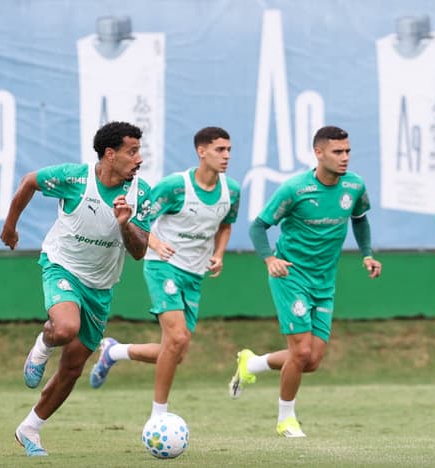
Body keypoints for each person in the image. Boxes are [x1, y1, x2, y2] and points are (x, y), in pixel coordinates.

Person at [1, 121, 151, 456]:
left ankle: (29, 429)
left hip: (101, 287)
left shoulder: (141, 193)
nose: (139, 159)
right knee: (66, 328)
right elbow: (29, 182)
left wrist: (125, 223)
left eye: (139, 150)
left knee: (71, 369)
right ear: (109, 155)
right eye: (132, 151)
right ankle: (44, 341)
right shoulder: (74, 178)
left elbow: (139, 251)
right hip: (61, 266)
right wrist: (10, 228)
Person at [229, 126, 382, 438]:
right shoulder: (295, 189)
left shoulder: (354, 186)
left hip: (324, 282)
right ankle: (286, 419)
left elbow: (360, 219)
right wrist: (270, 259)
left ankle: (253, 364)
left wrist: (367, 254)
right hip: (291, 276)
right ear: (319, 153)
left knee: (311, 360)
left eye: (348, 151)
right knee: (299, 353)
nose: (345, 158)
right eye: (338, 152)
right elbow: (259, 226)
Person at [88, 127, 241, 421]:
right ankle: (159, 414)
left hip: (194, 274)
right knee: (178, 337)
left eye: (229, 150)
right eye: (220, 150)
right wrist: (155, 243)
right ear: (202, 152)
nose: (226, 156)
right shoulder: (175, 186)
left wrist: (219, 254)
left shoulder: (231, 190)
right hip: (162, 267)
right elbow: (141, 217)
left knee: (177, 351)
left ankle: (114, 352)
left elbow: (225, 225)